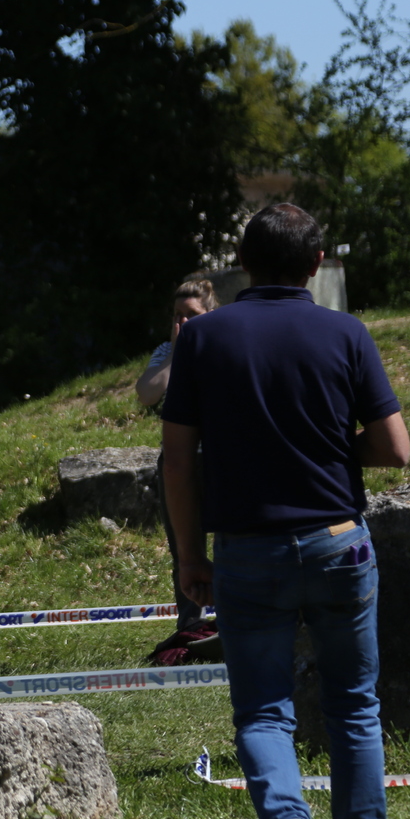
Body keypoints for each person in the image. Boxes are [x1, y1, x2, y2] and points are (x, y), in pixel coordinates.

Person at [160, 204, 410, 819]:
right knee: (353, 707)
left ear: (242, 264)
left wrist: (190, 558)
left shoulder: (202, 337)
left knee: (264, 712)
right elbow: (395, 448)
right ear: (315, 264)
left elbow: (177, 462)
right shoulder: (347, 332)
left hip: (249, 552)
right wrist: (326, 453)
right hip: (339, 543)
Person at [135, 279, 220, 663]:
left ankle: (232, 618)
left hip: (220, 457)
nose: (183, 322)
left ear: (211, 315)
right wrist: (176, 353)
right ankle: (192, 627)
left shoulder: (223, 344)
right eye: (177, 316)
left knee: (231, 542)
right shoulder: (167, 352)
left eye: (192, 315)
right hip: (178, 461)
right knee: (184, 548)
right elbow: (146, 393)